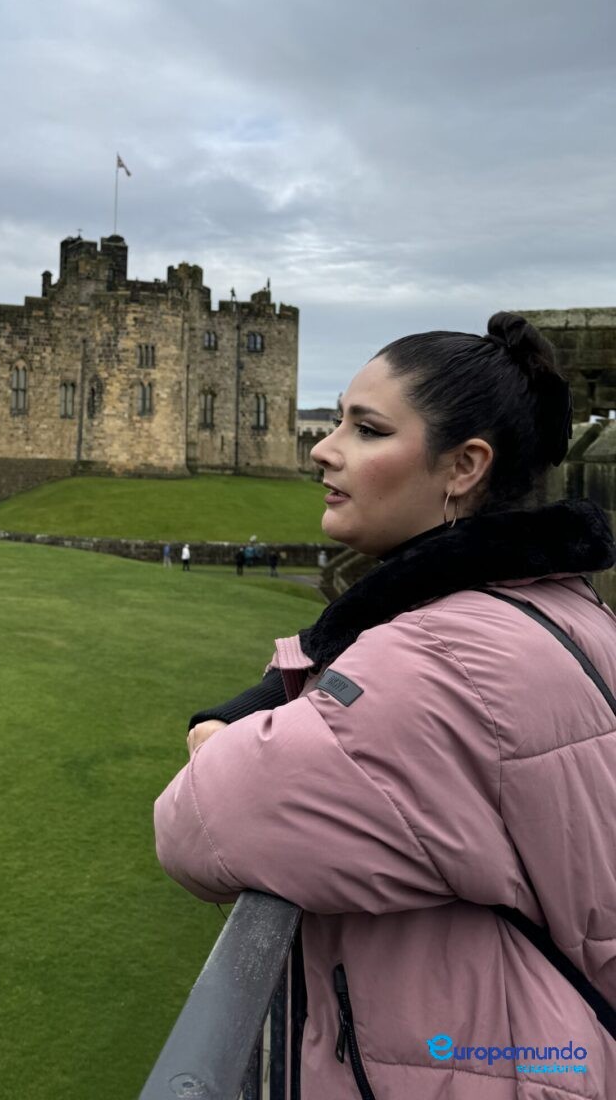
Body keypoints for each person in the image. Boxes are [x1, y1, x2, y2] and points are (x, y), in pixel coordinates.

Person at [155, 314, 616, 1098]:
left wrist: (222, 735)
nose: (323, 448)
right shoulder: (567, 610)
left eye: (366, 430)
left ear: (464, 466)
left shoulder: (435, 662)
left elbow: (195, 825)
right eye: (335, 419)